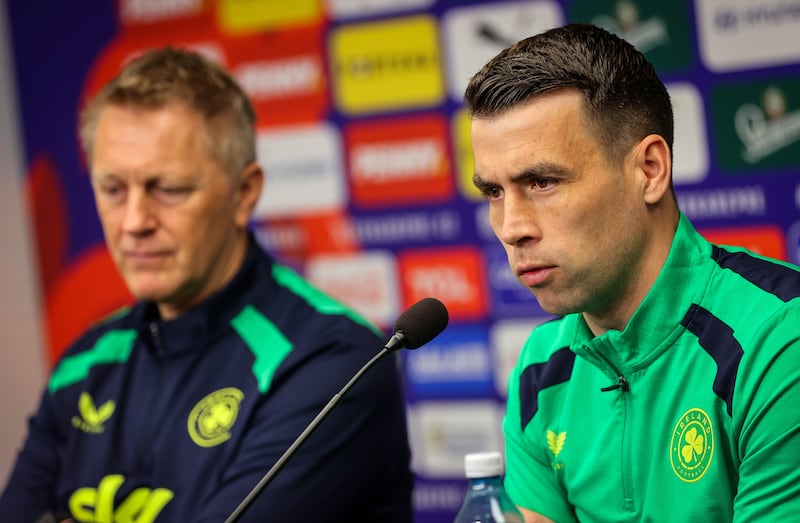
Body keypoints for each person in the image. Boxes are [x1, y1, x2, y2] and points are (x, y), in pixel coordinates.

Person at [0, 47, 413, 522]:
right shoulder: (83, 364)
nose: (134, 221)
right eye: (113, 189)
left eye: (169, 189)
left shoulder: (331, 360)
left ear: (244, 193)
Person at [465, 23, 800, 522]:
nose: (511, 228)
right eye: (494, 192)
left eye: (541, 182)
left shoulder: (778, 339)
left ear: (649, 170)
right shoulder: (540, 367)